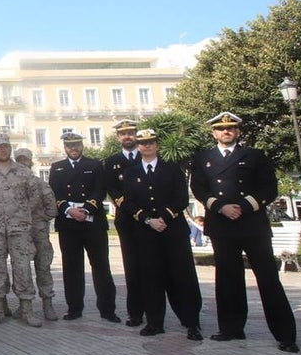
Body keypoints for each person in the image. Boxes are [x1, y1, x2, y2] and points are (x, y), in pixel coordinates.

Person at [189, 112, 298, 353]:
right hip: (221, 223)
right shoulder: (203, 158)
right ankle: (231, 328)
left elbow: (269, 187)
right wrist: (220, 207)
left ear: (238, 132)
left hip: (252, 224)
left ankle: (285, 334)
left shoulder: (254, 156)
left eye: (231, 128)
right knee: (228, 278)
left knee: (268, 278)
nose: (226, 132)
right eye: (221, 128)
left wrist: (245, 206)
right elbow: (198, 187)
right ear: (213, 132)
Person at [116, 129, 203, 340]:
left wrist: (163, 217)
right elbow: (128, 202)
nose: (147, 146)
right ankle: (155, 322)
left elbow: (181, 198)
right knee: (150, 279)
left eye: (151, 142)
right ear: (138, 146)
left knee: (183, 278)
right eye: (143, 143)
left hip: (173, 231)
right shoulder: (131, 173)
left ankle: (192, 323)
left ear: (157, 145)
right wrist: (147, 219)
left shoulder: (172, 169)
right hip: (146, 232)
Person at [48, 132, 120, 323]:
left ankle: (107, 309)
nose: (73, 148)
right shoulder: (57, 168)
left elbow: (100, 190)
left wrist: (86, 209)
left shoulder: (95, 165)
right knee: (72, 267)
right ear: (65, 147)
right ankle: (74, 308)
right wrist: (69, 210)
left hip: (92, 222)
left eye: (77, 145)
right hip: (68, 223)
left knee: (101, 266)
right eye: (70, 145)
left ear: (82, 146)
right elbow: (54, 193)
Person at [0, 133, 44, 327]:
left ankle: (27, 309)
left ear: (11, 148)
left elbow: (34, 196)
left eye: (6, 146)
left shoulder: (23, 171)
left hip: (19, 228)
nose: (3, 149)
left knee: (22, 267)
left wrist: (22, 213)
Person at [104, 119, 145, 327]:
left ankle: (158, 308)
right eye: (123, 133)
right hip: (127, 219)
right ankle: (135, 311)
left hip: (151, 219)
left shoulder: (148, 155)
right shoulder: (112, 161)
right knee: (131, 266)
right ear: (118, 137)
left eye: (130, 132)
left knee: (155, 265)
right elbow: (113, 190)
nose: (127, 136)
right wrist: (135, 211)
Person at [14, 148, 59, 320]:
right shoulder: (12, 186)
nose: (22, 163)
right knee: (21, 269)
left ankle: (48, 304)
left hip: (38, 233)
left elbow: (52, 208)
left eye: (25, 159)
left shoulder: (40, 184)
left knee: (43, 267)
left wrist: (40, 221)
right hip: (19, 233)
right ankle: (23, 305)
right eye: (19, 160)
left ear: (31, 162)